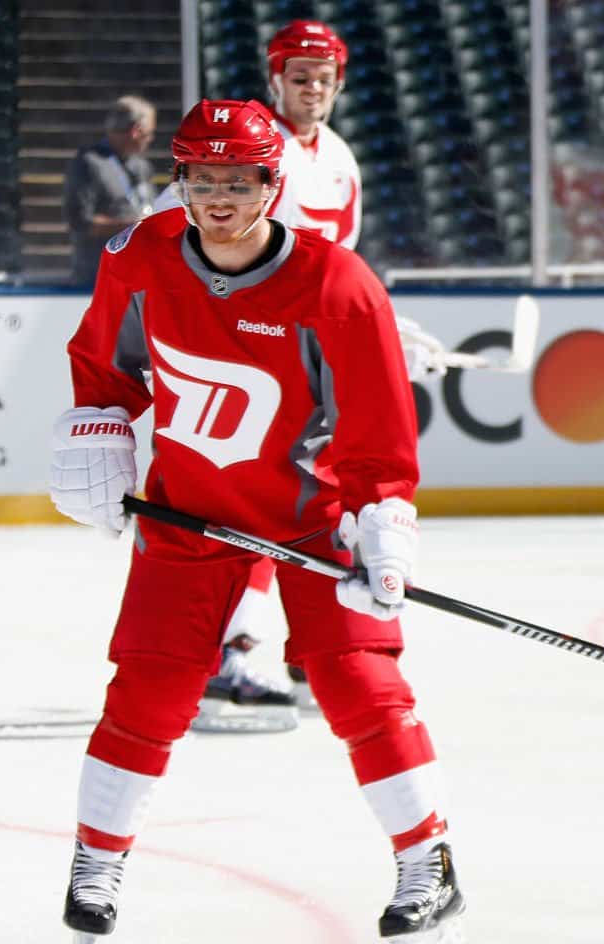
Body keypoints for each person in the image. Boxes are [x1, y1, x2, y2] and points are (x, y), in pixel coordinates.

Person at [52, 99, 466, 944]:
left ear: (273, 186)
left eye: (239, 181)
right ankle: (97, 860)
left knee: (360, 682)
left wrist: (382, 519)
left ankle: (427, 859)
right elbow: (105, 366)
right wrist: (94, 426)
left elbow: (376, 431)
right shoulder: (139, 259)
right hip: (187, 513)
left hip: (310, 521)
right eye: (203, 179)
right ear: (181, 182)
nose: (220, 198)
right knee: (148, 691)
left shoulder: (336, 285)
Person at [159, 19, 449, 729]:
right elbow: (179, 234)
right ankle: (230, 653)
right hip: (248, 353)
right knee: (259, 499)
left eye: (322, 76)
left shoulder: (342, 160)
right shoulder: (250, 151)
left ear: (339, 84)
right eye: (298, 75)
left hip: (309, 354)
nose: (311, 87)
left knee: (328, 495)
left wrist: (376, 330)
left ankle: (311, 651)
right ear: (276, 79)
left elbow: (336, 263)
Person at [63, 96, 156, 287]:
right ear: (135, 131)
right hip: (98, 279)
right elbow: (80, 222)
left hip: (139, 278)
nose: (151, 140)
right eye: (149, 134)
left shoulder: (141, 167)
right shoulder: (89, 163)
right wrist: (133, 225)